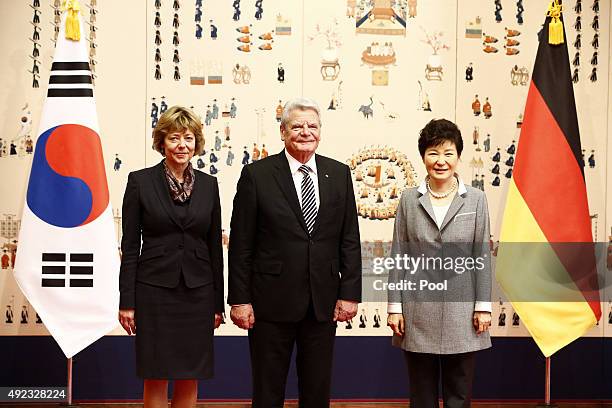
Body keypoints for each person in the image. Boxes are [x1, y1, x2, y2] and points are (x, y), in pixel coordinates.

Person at [228, 97, 362, 407]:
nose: (305, 132)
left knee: (317, 391)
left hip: (323, 302)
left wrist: (350, 293)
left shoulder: (339, 173)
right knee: (267, 390)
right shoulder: (257, 175)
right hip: (269, 303)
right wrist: (239, 299)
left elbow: (349, 239)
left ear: (320, 131)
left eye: (312, 126)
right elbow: (241, 244)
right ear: (283, 132)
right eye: (297, 126)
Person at [118, 106, 223, 408]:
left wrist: (217, 303)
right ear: (162, 142)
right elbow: (130, 246)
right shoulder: (140, 181)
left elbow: (214, 247)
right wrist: (127, 302)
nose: (182, 145)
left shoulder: (209, 185)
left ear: (196, 143)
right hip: (154, 291)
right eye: (174, 138)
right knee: (156, 371)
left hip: (198, 292)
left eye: (188, 138)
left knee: (191, 372)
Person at [387, 118, 492, 408]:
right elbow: (399, 255)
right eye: (433, 153)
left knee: (459, 395)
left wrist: (483, 306)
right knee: (422, 396)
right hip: (418, 309)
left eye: (448, 153)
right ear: (423, 157)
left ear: (458, 156)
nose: (441, 161)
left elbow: (481, 256)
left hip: (463, 311)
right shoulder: (409, 200)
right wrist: (395, 307)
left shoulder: (476, 199)